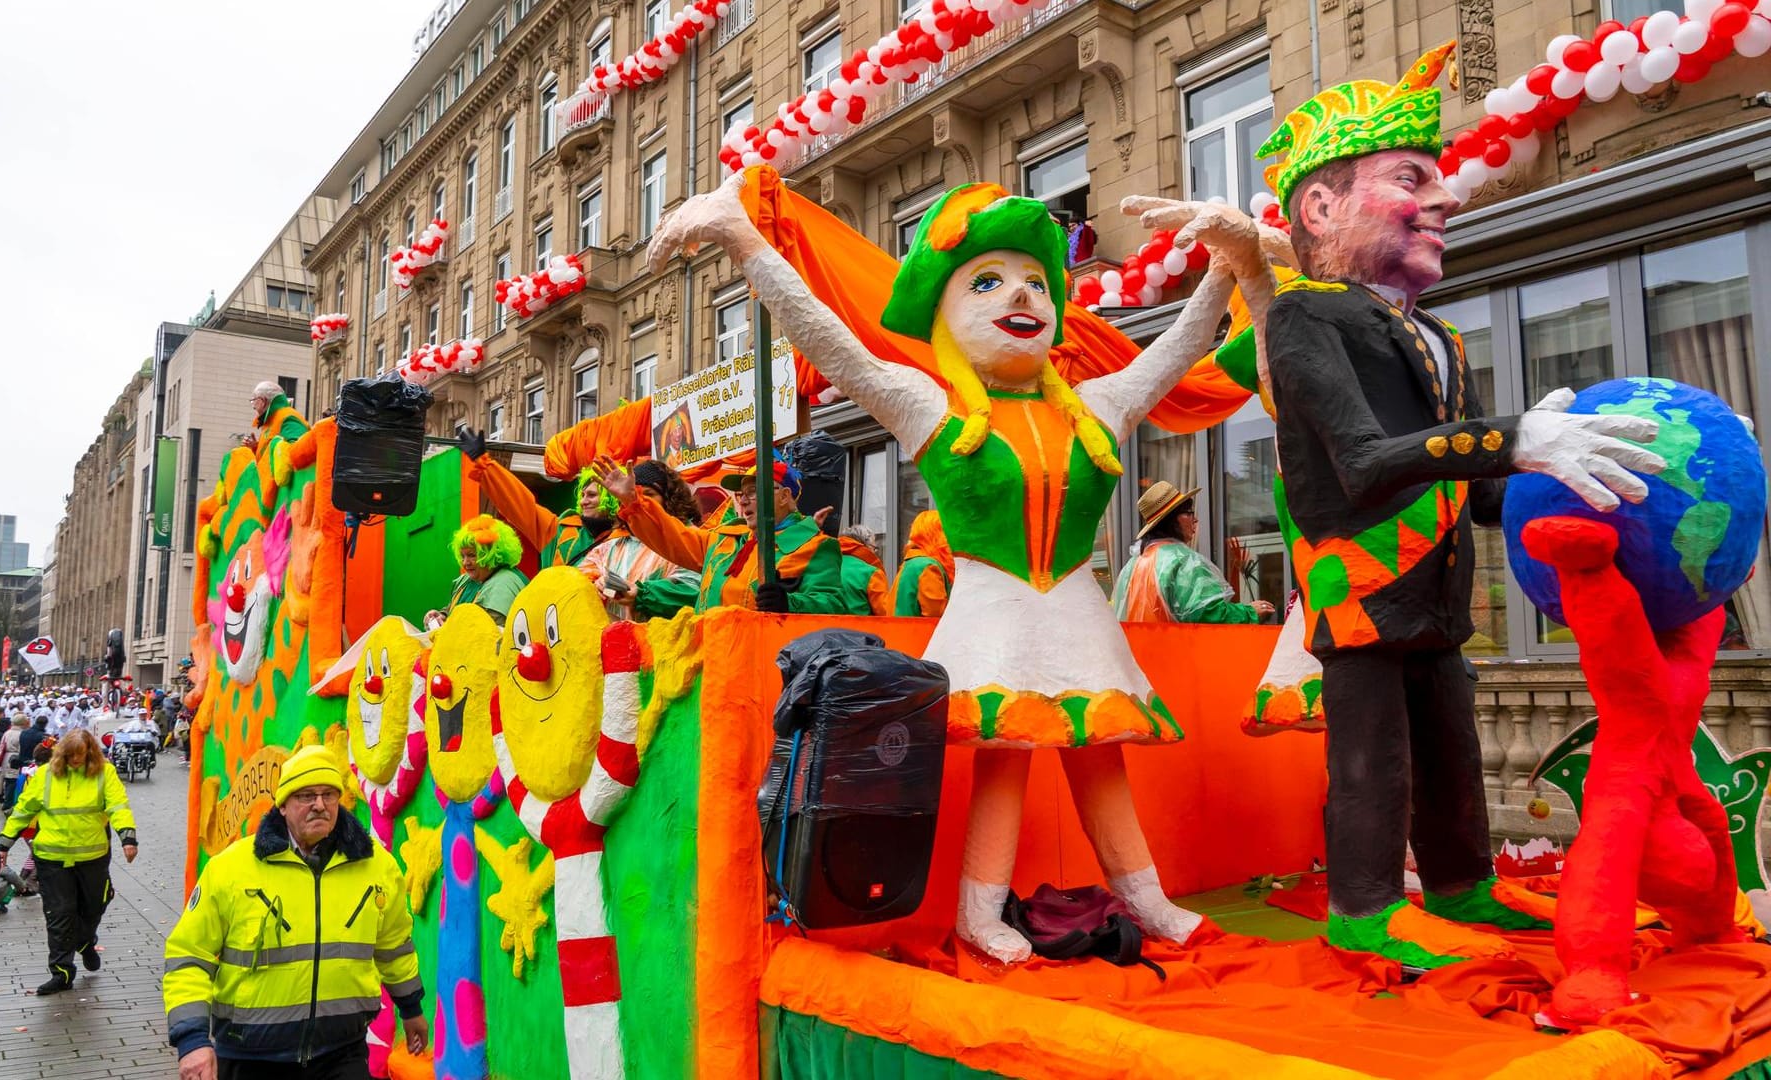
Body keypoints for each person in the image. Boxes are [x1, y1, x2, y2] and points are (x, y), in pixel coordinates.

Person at [650, 168, 1280, 957]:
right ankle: (979, 914)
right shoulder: (929, 406)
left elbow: (1182, 346)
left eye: (1036, 284)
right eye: (988, 282)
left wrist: (1225, 267)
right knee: (1005, 763)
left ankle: (1144, 898)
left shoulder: (1099, 407)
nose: (1021, 299)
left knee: (1099, 757)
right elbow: (829, 342)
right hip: (995, 612)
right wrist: (745, 243)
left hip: (1075, 607)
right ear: (945, 313)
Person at [1258, 42, 1664, 968]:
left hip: (1439, 596)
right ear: (1321, 205)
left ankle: (1460, 883)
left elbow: (1478, 494)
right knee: (1372, 755)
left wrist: (1551, 469)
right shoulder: (1303, 315)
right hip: (1359, 584)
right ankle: (1362, 906)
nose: (1445, 200)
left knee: (1450, 740)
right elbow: (1363, 465)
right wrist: (1512, 440)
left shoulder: (1442, 337)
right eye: (1412, 178)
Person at [164, 746, 427, 1080]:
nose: (319, 804)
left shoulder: (377, 867)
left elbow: (394, 946)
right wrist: (193, 1041)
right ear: (283, 805)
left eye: (328, 794)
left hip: (342, 1051)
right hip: (251, 1056)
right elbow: (189, 956)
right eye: (306, 795)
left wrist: (411, 1008)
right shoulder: (230, 869)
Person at [598, 457, 850, 613]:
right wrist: (633, 500)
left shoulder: (816, 546)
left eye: (755, 491)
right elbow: (671, 536)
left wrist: (790, 603)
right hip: (712, 666)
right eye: (742, 494)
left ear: (785, 496)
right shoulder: (725, 539)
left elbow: (833, 605)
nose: (744, 500)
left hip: (761, 671)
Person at [0, 728, 138, 994]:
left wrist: (128, 838)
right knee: (59, 916)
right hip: (53, 859)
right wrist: (4, 842)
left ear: (90, 754)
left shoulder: (104, 773)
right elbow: (24, 809)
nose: (76, 761)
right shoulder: (45, 775)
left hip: (92, 858)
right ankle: (61, 973)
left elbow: (118, 806)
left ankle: (85, 942)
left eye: (81, 756)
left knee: (94, 907)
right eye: (71, 756)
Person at [454, 427, 623, 568]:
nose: (583, 501)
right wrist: (485, 466)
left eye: (592, 495)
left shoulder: (628, 539)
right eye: (582, 495)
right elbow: (519, 503)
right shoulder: (559, 530)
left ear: (613, 497)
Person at [1114, 481, 1274, 623]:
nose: (1195, 519)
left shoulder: (1133, 564)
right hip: (1174, 653)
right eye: (1189, 512)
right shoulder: (1182, 559)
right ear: (1172, 519)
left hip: (1137, 653)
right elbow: (1207, 614)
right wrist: (1250, 613)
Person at [582, 459, 706, 621]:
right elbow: (581, 576)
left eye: (648, 495)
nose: (641, 501)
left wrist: (642, 594)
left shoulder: (689, 537)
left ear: (669, 498)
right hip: (615, 642)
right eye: (634, 495)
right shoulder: (616, 542)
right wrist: (597, 584)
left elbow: (694, 591)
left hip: (665, 642)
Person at [424, 515, 528, 631]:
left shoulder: (506, 583)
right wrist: (441, 616)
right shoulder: (468, 580)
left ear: (492, 553)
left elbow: (487, 633)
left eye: (472, 555)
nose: (465, 562)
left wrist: (447, 630)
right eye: (462, 556)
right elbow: (453, 610)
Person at [893, 509, 955, 617]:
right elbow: (938, 618)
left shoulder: (910, 564)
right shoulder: (928, 567)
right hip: (917, 633)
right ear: (938, 536)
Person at [836, 525, 894, 616]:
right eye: (874, 548)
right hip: (860, 629)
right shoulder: (871, 573)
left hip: (824, 628)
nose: (875, 552)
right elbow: (885, 613)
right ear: (866, 545)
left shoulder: (827, 566)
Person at [251, 379, 309, 452]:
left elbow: (298, 451)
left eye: (254, 400)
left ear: (263, 400)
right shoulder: (272, 420)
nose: (253, 407)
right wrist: (256, 447)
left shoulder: (287, 417)